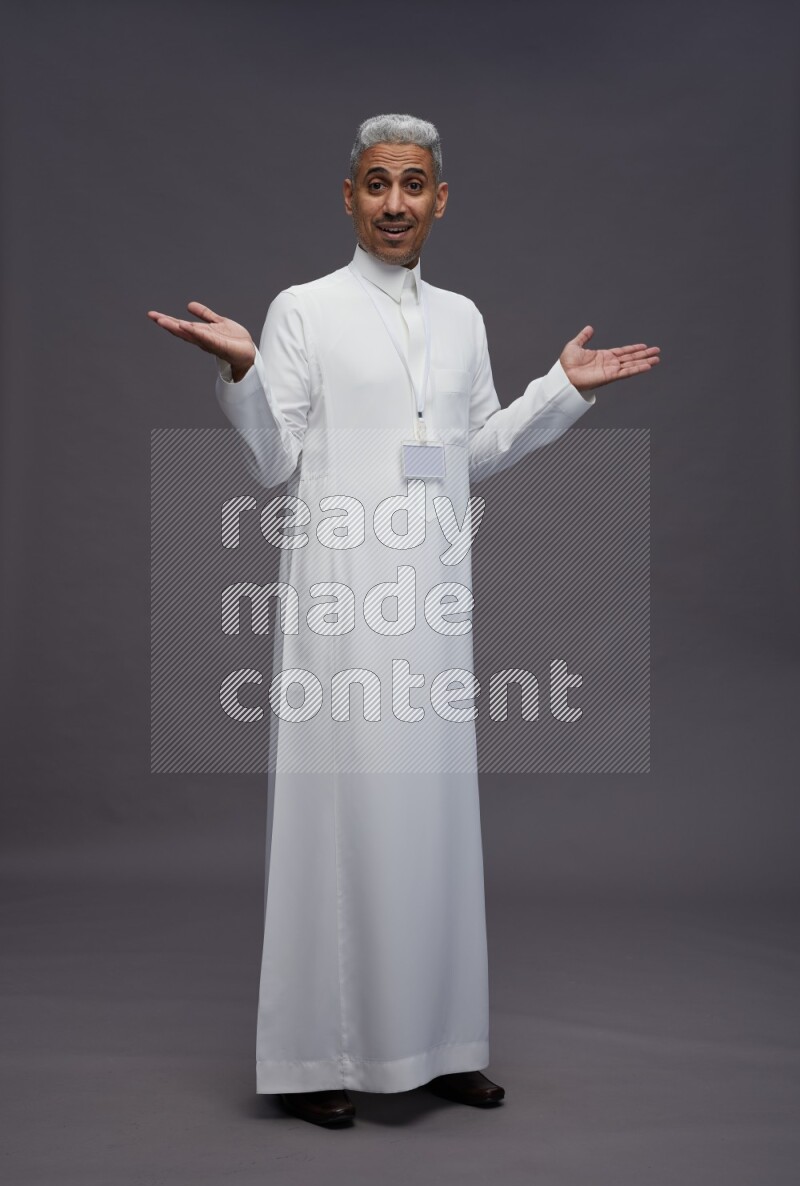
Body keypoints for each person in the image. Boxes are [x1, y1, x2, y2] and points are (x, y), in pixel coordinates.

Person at [148, 113, 660, 1128]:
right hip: (341, 599)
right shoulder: (303, 309)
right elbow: (269, 463)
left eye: (412, 184)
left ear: (438, 199)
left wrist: (559, 391)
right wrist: (244, 369)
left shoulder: (461, 318)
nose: (393, 203)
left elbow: (464, 452)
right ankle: (317, 1056)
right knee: (342, 819)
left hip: (430, 598)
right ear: (348, 197)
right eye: (375, 183)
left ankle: (438, 1043)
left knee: (430, 822)